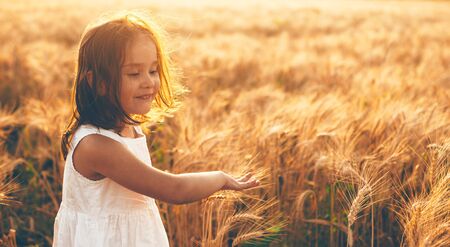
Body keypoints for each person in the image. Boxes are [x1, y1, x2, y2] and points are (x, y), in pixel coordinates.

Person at [53, 10, 260, 247]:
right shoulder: (96, 146)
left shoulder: (129, 130)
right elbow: (174, 189)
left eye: (153, 70)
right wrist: (221, 178)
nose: (149, 82)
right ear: (98, 82)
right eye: (134, 73)